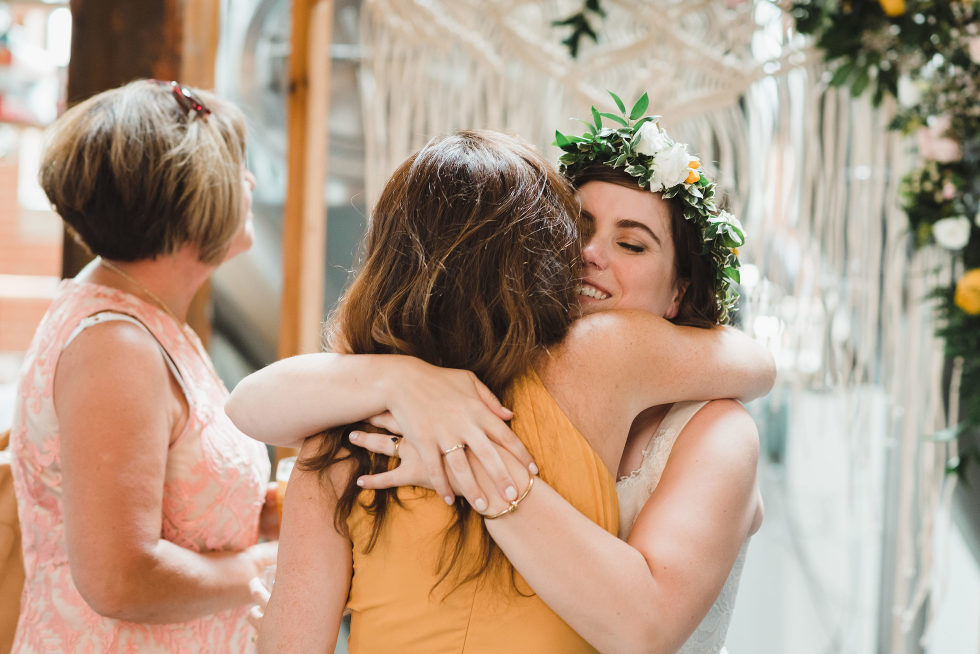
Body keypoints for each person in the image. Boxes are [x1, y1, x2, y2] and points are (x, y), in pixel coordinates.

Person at [226, 127, 774, 653]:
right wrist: (403, 380)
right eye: (577, 231)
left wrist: (468, 458)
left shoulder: (335, 440)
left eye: (631, 243)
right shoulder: (586, 364)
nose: (589, 256)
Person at [8, 79, 278, 653]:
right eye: (236, 167)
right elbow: (119, 578)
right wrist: (268, 560)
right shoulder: (116, 346)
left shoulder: (144, 320)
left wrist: (254, 520)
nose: (249, 182)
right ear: (191, 199)